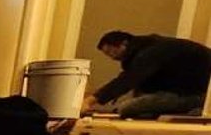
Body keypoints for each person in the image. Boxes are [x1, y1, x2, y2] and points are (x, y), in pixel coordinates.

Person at [83, 30, 211, 119]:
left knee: (127, 108)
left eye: (111, 51)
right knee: (139, 103)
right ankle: (189, 110)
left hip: (197, 94)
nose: (111, 57)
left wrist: (90, 101)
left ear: (123, 44)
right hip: (190, 90)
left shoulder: (149, 52)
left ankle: (195, 109)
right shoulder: (147, 47)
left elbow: (127, 79)